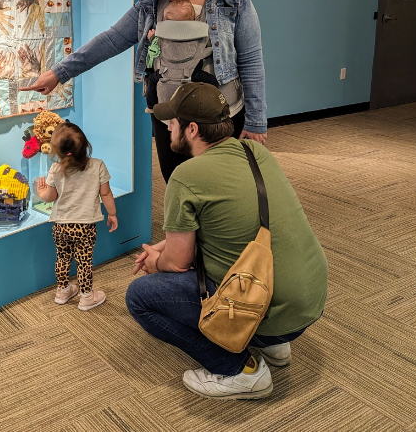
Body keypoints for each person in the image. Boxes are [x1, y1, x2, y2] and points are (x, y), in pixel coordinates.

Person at [126, 83, 327, 400]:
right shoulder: (255, 151)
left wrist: (155, 260)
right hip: (308, 298)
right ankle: (275, 345)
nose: (168, 128)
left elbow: (178, 263)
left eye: (173, 122)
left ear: (192, 129)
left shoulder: (186, 175)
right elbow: (237, 221)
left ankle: (240, 370)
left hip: (266, 308)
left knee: (140, 296)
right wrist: (168, 243)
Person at [27, 0, 267, 183]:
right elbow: (112, 39)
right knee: (177, 184)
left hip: (219, 120)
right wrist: (60, 72)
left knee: (220, 187)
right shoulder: (152, 4)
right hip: (169, 119)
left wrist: (257, 121)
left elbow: (251, 61)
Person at [36, 122, 119, 311]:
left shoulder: (55, 170)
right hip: (85, 226)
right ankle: (87, 297)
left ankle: (62, 291)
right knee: (84, 261)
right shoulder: (97, 165)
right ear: (85, 144)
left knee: (62, 258)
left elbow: (50, 197)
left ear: (57, 150)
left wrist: (41, 192)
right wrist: (112, 214)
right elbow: (106, 194)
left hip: (61, 225)